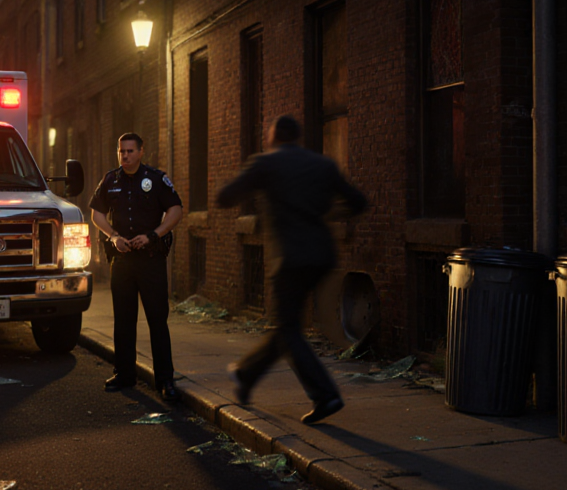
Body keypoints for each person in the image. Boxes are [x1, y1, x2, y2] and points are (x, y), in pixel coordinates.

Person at [215, 115, 367, 424]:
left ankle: (325, 394)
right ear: (297, 137)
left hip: (291, 258)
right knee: (287, 325)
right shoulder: (323, 165)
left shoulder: (267, 163)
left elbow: (225, 197)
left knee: (288, 329)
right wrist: (328, 213)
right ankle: (245, 374)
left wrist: (251, 193)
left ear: (273, 137)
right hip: (322, 255)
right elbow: (358, 202)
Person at [89, 132, 185, 401]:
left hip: (150, 260)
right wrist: (113, 237)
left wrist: (154, 235)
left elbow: (176, 210)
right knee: (123, 320)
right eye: (121, 151)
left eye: (130, 151)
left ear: (141, 152)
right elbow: (96, 214)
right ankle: (124, 374)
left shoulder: (156, 179)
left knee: (157, 320)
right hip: (122, 261)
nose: (125, 156)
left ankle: (165, 380)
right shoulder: (111, 180)